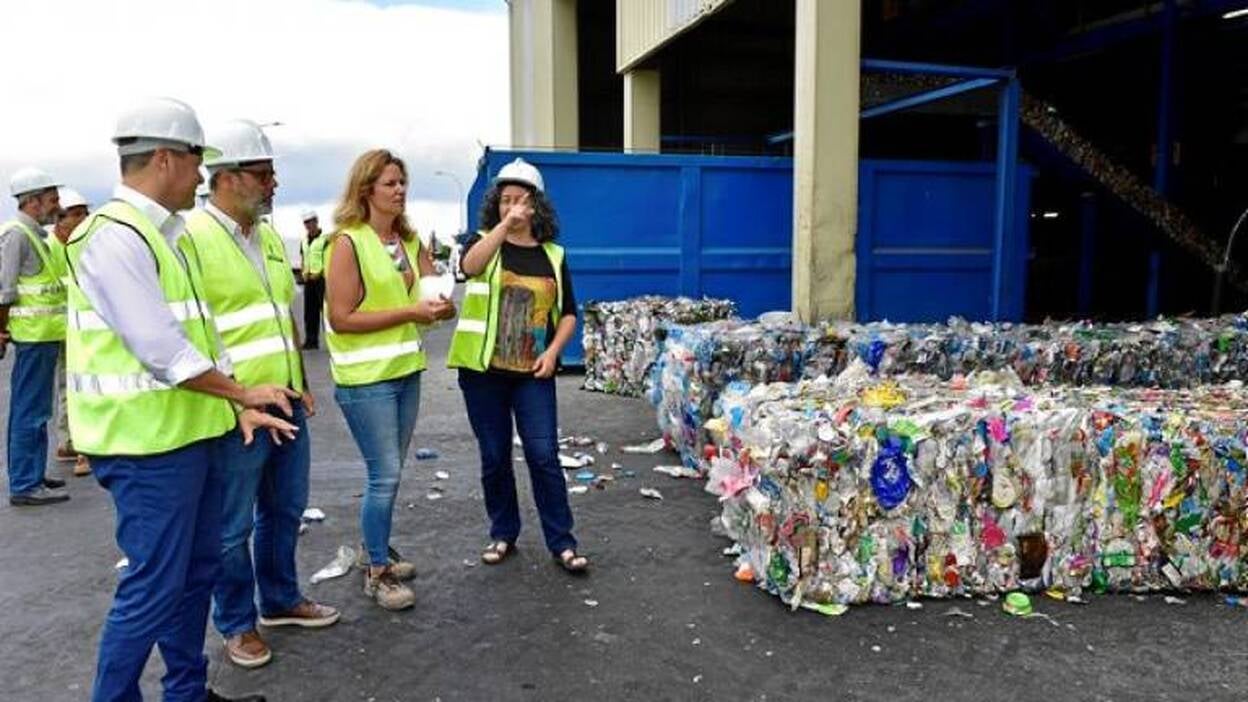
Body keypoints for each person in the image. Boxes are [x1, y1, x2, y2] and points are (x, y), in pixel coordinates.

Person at [69, 96, 296, 702]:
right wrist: (244, 389)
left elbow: (203, 337)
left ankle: (188, 693)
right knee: (152, 588)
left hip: (188, 435)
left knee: (195, 576)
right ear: (167, 159)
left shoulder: (166, 236)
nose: (202, 176)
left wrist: (235, 405)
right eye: (198, 161)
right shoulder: (114, 236)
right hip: (144, 446)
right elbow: (161, 350)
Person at [180, 119, 339, 670]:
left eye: (274, 174)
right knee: (233, 525)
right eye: (263, 174)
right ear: (226, 177)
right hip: (235, 409)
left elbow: (281, 320)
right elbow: (190, 334)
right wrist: (236, 398)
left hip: (284, 399)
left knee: (285, 508)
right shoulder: (191, 239)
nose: (274, 185)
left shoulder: (269, 236)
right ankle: (237, 623)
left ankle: (279, 599)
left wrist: (302, 381)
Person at [324, 149, 454, 610]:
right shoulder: (346, 243)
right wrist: (411, 311)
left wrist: (442, 306)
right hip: (365, 381)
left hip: (405, 372)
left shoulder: (409, 242)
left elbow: (430, 294)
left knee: (390, 475)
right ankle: (377, 571)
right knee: (385, 475)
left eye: (402, 183)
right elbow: (341, 318)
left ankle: (374, 548)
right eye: (390, 184)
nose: (399, 191)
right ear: (366, 190)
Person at [447, 158, 589, 573]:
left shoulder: (553, 254)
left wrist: (553, 352)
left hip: (533, 374)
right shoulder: (483, 243)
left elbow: (567, 313)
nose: (512, 208)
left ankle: (562, 542)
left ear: (536, 206)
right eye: (504, 200)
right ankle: (503, 533)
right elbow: (469, 267)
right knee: (494, 457)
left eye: (520, 201)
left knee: (544, 455)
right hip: (482, 374)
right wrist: (501, 229)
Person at [1, 166, 69, 506]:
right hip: (32, 338)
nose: (56, 205)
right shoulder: (16, 235)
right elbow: (4, 290)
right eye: (52, 199)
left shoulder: (35, 236)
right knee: (29, 410)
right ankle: (25, 484)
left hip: (43, 337)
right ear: (33, 201)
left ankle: (33, 474)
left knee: (38, 409)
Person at [47, 187, 91, 477]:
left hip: (74, 327)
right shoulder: (48, 246)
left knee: (70, 385)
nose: (83, 219)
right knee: (74, 386)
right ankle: (80, 447)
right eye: (76, 215)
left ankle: (70, 442)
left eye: (85, 213)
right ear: (59, 220)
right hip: (54, 328)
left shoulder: (83, 242)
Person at [299, 209, 326, 349]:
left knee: (325, 311)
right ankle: (311, 340)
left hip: (321, 280)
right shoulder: (304, 241)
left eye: (310, 222)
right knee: (309, 311)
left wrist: (320, 272)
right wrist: (303, 271)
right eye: (306, 223)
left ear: (316, 221)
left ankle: (332, 340)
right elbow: (304, 257)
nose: (308, 225)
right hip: (308, 279)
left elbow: (329, 258)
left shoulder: (324, 239)